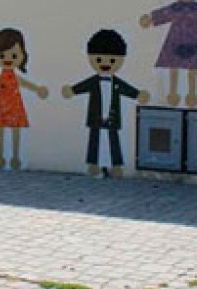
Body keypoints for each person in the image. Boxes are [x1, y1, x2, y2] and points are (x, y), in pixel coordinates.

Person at [62, 29, 150, 179]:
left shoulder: (116, 83)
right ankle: (93, 165)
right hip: (95, 117)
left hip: (112, 117)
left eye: (111, 60)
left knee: (113, 141)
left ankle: (116, 166)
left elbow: (127, 89)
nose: (105, 64)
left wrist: (137, 94)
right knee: (94, 140)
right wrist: (72, 90)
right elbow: (83, 86)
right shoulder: (94, 81)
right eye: (99, 59)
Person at [0, 28, 48, 171]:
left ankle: (15, 157)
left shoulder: (13, 76)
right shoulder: (2, 76)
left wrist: (37, 89)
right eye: (2, 54)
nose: (7, 59)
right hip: (0, 104)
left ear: (22, 56)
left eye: (14, 55)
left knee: (15, 129)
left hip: (14, 105)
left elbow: (23, 83)